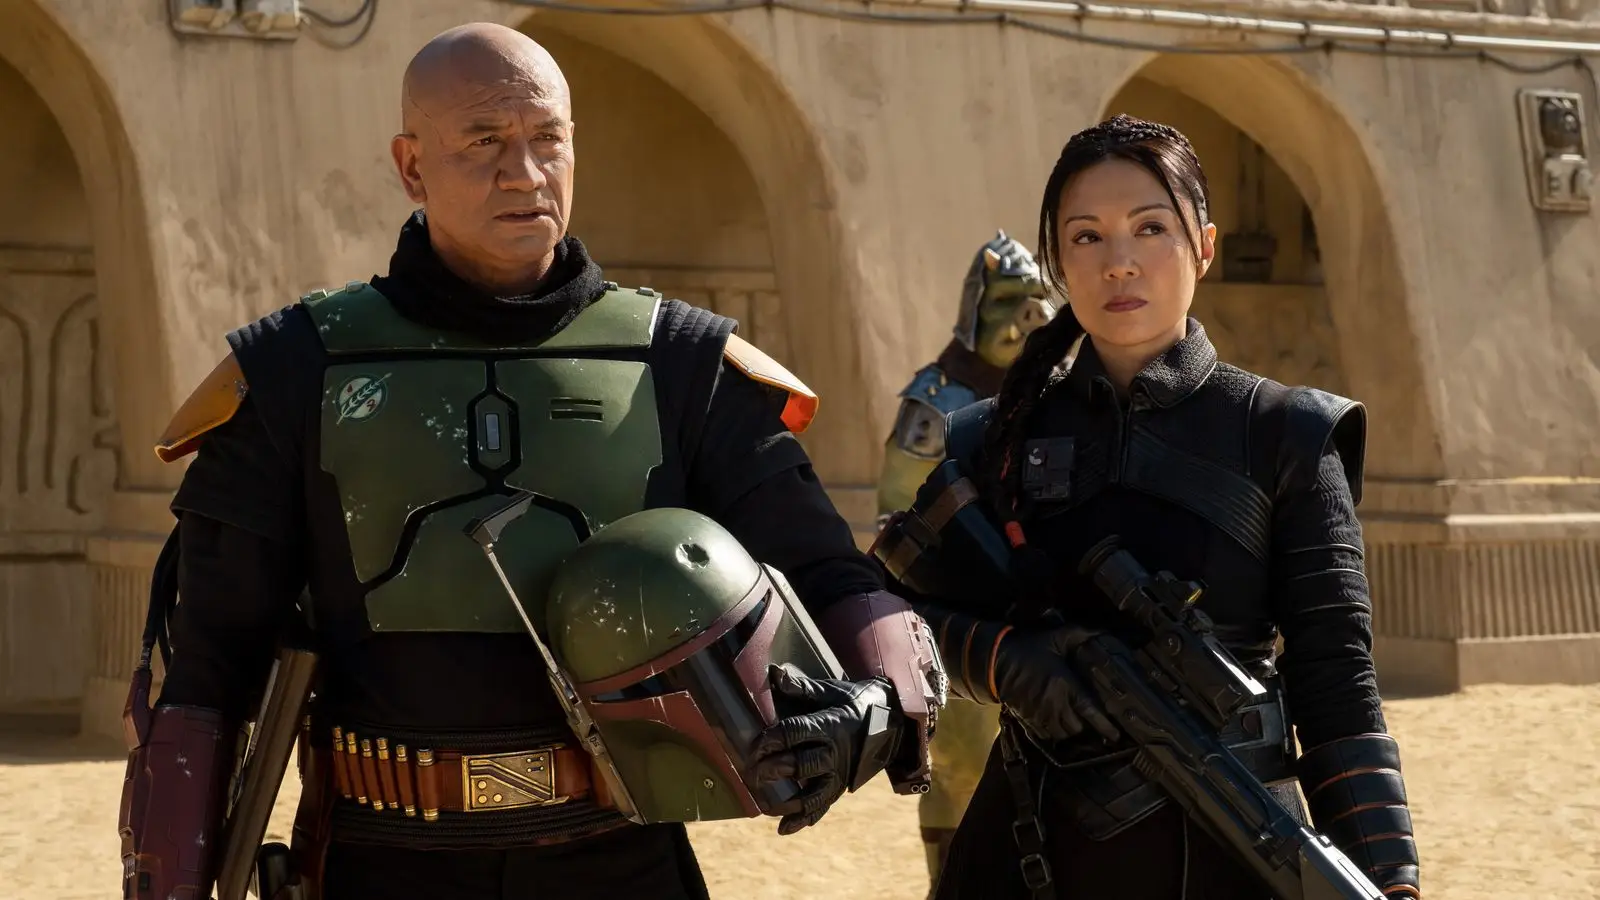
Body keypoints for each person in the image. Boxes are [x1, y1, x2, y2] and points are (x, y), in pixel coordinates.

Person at [118, 23, 939, 900]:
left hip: (622, 864)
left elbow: (829, 572)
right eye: (484, 142)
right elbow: (207, 666)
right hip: (383, 864)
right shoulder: (294, 369)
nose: (525, 172)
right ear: (411, 166)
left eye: (548, 138)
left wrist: (877, 708)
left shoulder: (684, 363)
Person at [888, 114, 1422, 898]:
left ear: (1204, 245)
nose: (1120, 262)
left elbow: (1337, 682)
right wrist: (1006, 662)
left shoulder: (1289, 434)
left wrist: (1390, 880)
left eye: (1150, 228)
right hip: (1028, 849)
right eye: (1087, 237)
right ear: (1058, 263)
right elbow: (895, 617)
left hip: (1231, 848)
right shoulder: (990, 438)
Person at [873, 231, 1054, 884]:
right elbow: (898, 520)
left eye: (1033, 301)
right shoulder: (937, 402)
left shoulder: (1060, 395)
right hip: (960, 618)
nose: (1024, 319)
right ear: (975, 309)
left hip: (1048, 615)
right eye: (1007, 301)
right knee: (962, 771)